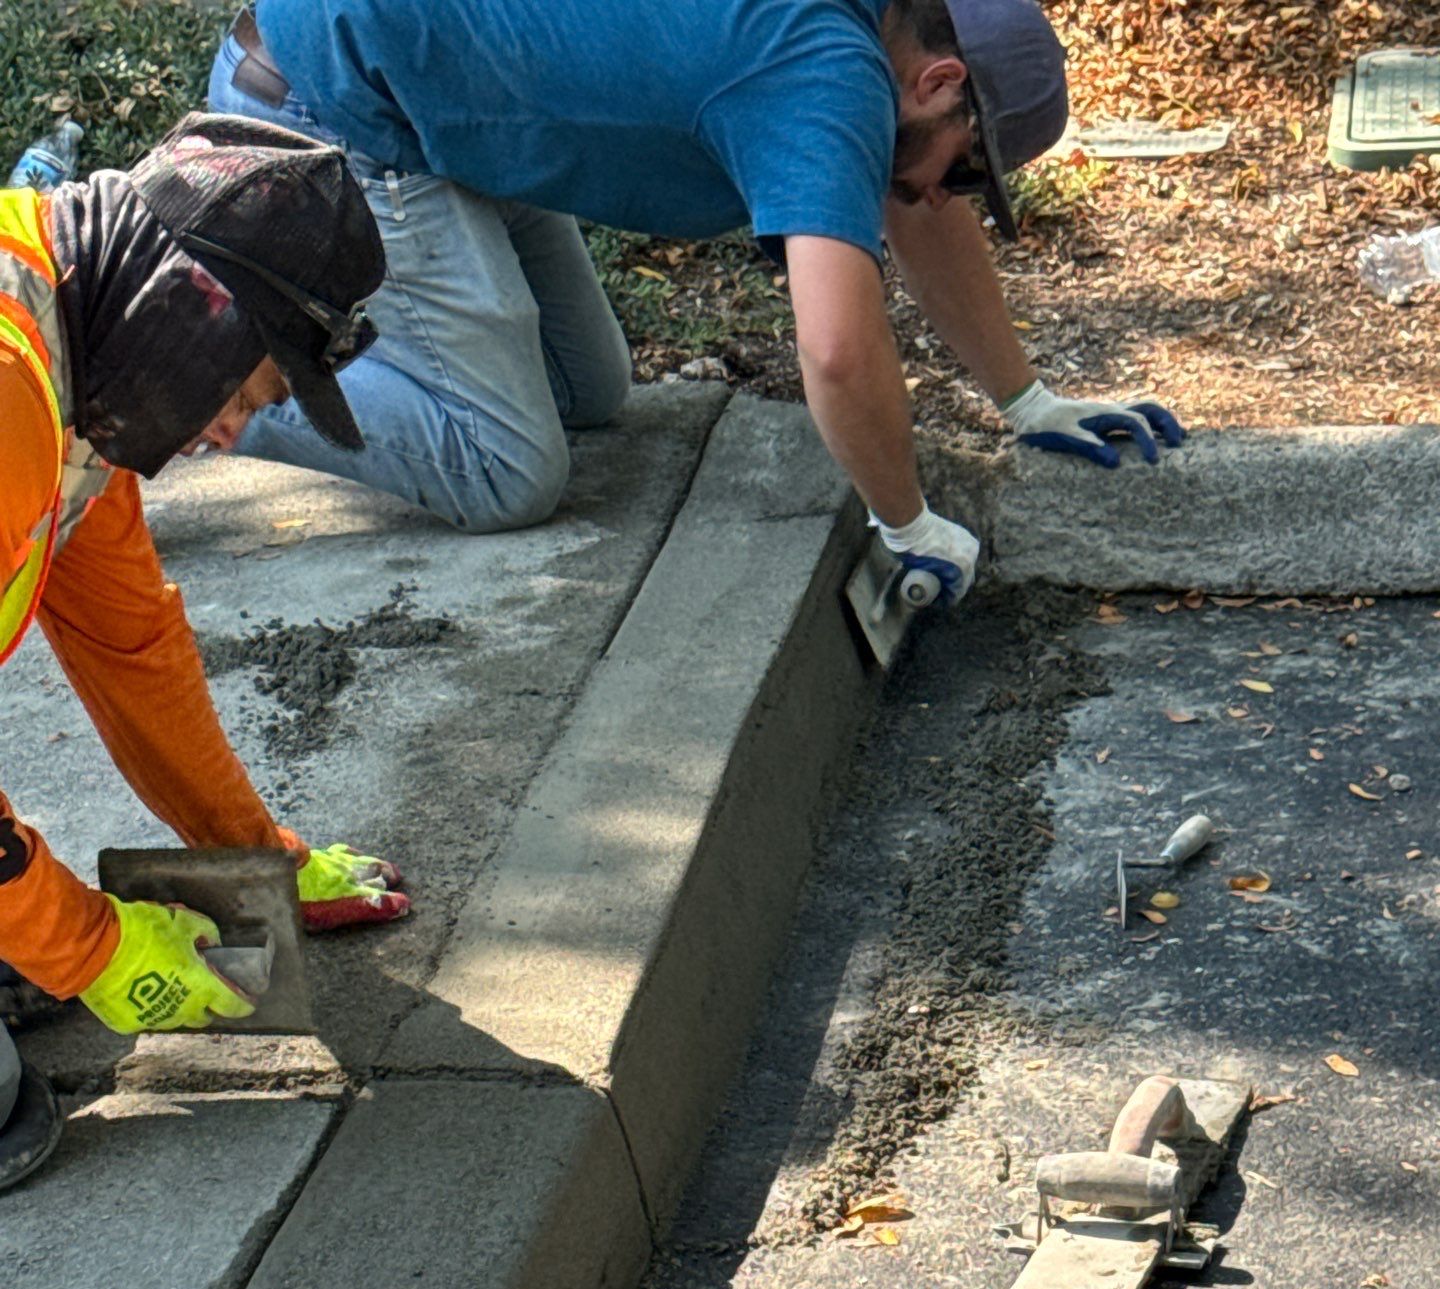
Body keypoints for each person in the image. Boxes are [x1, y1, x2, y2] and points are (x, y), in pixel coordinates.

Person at [206, 0, 1183, 601]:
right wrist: (907, 524)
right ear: (941, 77)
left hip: (432, 92)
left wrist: (1028, 402)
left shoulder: (870, 30)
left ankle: (285, 327)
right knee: (507, 471)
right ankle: (207, 369)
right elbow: (837, 352)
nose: (939, 197)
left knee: (588, 392)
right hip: (328, 105)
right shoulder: (824, 71)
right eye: (964, 170)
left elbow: (914, 213)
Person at [0, 111, 410, 1189]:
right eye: (244, 392)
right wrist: (88, 944)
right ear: (190, 308)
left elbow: (134, 652)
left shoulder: (71, 379)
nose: (228, 434)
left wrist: (251, 856)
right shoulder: (5, 395)